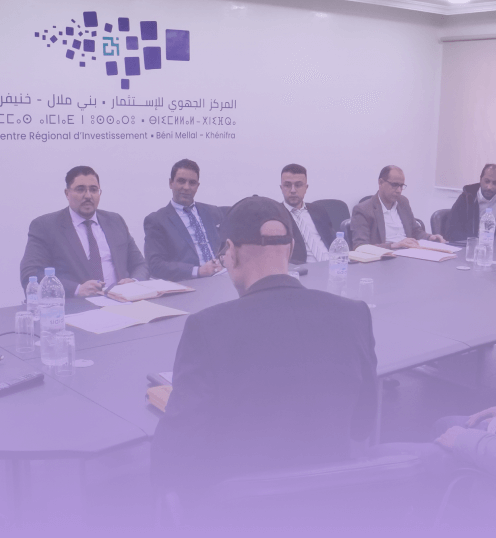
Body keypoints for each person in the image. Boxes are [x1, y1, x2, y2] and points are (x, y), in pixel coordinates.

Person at [152, 195, 378, 503]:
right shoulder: (353, 315)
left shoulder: (207, 328)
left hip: (241, 513)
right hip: (332, 506)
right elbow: (363, 426)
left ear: (230, 252)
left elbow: (172, 459)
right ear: (291, 248)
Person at [20, 166, 148, 297]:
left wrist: (135, 282)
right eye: (80, 189)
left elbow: (139, 264)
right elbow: (30, 274)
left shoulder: (115, 221)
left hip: (121, 301)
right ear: (67, 193)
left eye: (93, 190)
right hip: (76, 305)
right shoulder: (45, 226)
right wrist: (76, 290)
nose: (88, 196)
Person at [144, 159, 224, 281]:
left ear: (197, 186)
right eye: (181, 181)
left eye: (192, 183)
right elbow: (155, 265)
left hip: (222, 277)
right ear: (171, 183)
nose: (186, 187)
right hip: (191, 282)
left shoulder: (212, 212)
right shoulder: (156, 221)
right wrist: (198, 271)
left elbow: (227, 244)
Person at [351, 165, 446, 250]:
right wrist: (394, 245)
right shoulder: (363, 209)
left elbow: (415, 231)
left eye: (401, 186)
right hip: (386, 257)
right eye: (394, 185)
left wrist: (430, 237)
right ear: (380, 182)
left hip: (409, 253)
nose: (399, 190)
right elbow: (360, 246)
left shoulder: (403, 202)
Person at [280, 163, 336, 264]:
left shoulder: (319, 210)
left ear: (306, 188)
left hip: (332, 265)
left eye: (298, 185)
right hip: (303, 269)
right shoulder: (276, 216)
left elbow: (332, 242)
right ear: (281, 188)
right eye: (287, 185)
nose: (293, 190)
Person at [446, 164, 496, 242]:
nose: (489, 187)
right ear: (480, 179)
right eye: (487, 181)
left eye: (495, 183)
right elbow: (451, 232)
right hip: (469, 246)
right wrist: (476, 240)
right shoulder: (466, 198)